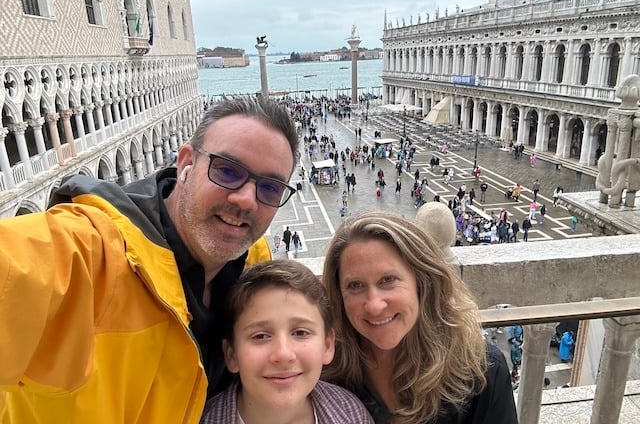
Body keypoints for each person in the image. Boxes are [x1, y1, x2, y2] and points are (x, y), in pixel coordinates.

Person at [0, 96, 300, 422]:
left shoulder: (255, 264)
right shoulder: (90, 253)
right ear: (186, 163)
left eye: (269, 188)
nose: (246, 200)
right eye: (227, 171)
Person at [322, 211, 518, 424]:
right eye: (355, 286)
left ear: (422, 282)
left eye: (388, 280)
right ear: (339, 296)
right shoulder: (323, 370)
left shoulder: (482, 371)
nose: (375, 305)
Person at [200, 260, 374, 423]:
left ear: (327, 346)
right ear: (231, 355)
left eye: (300, 332)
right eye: (260, 336)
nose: (283, 354)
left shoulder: (351, 413)